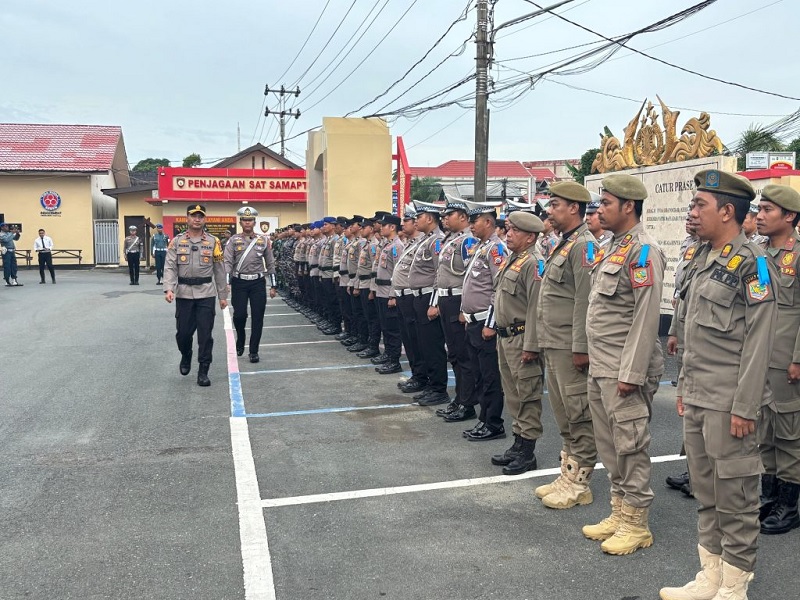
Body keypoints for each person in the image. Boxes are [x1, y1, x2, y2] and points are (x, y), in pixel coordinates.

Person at [660, 171, 777, 600]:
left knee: (737, 496)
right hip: (700, 397)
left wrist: (746, 407)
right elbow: (692, 335)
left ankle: (734, 585)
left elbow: (760, 343)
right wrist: (685, 390)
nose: (691, 212)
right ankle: (710, 575)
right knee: (707, 492)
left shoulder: (753, 264)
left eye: (699, 205)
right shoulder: (701, 257)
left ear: (727, 211)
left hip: (732, 403)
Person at [582, 173, 665, 556]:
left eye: (606, 203)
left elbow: (646, 319)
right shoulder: (612, 247)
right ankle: (618, 512)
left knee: (630, 444)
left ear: (628, 206)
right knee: (610, 444)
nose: (599, 209)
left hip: (623, 370)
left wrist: (631, 374)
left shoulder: (643, 251)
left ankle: (637, 523)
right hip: (602, 366)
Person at [535, 181, 598, 509]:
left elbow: (584, 301)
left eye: (555, 205)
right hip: (554, 342)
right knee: (563, 413)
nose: (550, 211)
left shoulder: (583, 245)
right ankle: (568, 472)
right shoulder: (564, 243)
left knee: (579, 412)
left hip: (569, 345)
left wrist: (580, 346)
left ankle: (581, 483)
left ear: (574, 207)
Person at [753, 184, 800, 536]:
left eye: (768, 210)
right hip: (760, 357)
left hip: (787, 359)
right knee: (764, 430)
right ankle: (768, 494)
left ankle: (789, 503)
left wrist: (798, 359)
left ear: (789, 216)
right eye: (760, 209)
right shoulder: (758, 253)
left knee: (789, 433)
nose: (760, 216)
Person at [491, 210, 546, 473]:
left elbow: (537, 308)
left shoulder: (533, 263)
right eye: (508, 229)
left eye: (515, 231)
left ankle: (527, 451)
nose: (508, 234)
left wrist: (531, 346)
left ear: (530, 237)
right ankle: (518, 441)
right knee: (513, 395)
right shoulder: (513, 260)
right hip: (506, 338)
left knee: (527, 395)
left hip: (523, 337)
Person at [163, 204, 228, 386]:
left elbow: (219, 270)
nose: (197, 219)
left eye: (200, 216)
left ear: (205, 219)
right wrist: (169, 288)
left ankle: (203, 370)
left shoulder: (213, 242)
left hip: (206, 293)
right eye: (193, 216)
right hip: (183, 293)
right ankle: (186, 354)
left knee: (205, 335)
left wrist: (223, 296)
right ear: (187, 218)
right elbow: (169, 266)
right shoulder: (177, 241)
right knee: (183, 334)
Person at [460, 199, 508, 440]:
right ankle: (483, 419)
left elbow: (497, 290)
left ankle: (493, 423)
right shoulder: (481, 247)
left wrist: (490, 324)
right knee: (479, 374)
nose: (471, 226)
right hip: (473, 322)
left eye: (474, 221)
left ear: (488, 222)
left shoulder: (497, 249)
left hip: (485, 324)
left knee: (490, 377)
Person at [429, 195, 478, 422]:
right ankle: (459, 398)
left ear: (463, 217)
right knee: (455, 354)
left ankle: (466, 403)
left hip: (457, 300)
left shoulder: (468, 242)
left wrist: (463, 308)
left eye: (449, 215)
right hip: (445, 299)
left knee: (463, 355)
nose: (445, 219)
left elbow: (470, 277)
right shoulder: (451, 239)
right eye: (444, 215)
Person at [407, 200, 449, 406]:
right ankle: (431, 384)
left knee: (432, 346)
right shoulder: (426, 240)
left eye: (419, 217)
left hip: (428, 298)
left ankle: (439, 388)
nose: (415, 220)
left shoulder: (437, 241)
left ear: (430, 219)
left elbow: (438, 274)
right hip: (418, 297)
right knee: (423, 344)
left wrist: (434, 302)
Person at [223, 206, 277, 364]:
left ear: (254, 222)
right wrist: (227, 283)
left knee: (258, 317)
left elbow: (270, 263)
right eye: (245, 220)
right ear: (240, 222)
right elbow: (227, 262)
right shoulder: (233, 240)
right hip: (239, 282)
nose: (248, 222)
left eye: (250, 220)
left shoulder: (263, 240)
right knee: (239, 315)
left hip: (257, 283)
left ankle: (254, 350)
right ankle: (240, 338)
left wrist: (273, 286)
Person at [392, 206, 428, 393]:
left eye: (406, 221)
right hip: (404, 296)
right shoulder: (410, 243)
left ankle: (422, 377)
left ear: (415, 223)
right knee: (409, 339)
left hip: (413, 296)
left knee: (417, 340)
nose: (402, 224)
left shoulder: (425, 243)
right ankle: (416, 374)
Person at [373, 214, 405, 374]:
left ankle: (394, 360)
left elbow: (398, 273)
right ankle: (388, 355)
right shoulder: (387, 245)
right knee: (385, 327)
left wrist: (393, 295)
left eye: (384, 225)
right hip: (381, 291)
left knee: (392, 329)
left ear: (392, 227)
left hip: (389, 293)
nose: (381, 227)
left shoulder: (397, 247)